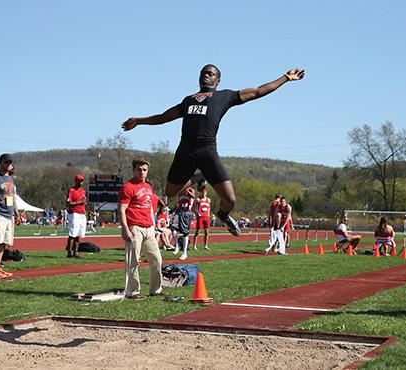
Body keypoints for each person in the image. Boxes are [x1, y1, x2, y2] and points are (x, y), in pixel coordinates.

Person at [122, 65, 305, 237]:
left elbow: (258, 91)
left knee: (230, 201)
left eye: (210, 73)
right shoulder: (188, 100)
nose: (206, 75)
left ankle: (223, 215)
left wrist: (286, 77)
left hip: (207, 151)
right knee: (170, 192)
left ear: (218, 80)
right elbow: (163, 117)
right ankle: (197, 177)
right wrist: (138, 121)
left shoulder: (225, 96)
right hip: (185, 150)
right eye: (203, 72)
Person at [118, 157, 163, 299]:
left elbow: (150, 207)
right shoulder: (128, 187)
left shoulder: (148, 187)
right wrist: (125, 229)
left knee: (157, 260)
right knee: (132, 261)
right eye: (139, 169)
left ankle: (156, 289)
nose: (142, 172)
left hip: (149, 228)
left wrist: (154, 226)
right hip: (134, 227)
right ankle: (133, 291)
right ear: (133, 170)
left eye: (144, 170)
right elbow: (121, 209)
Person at [170, 187, 196, 260]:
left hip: (187, 212)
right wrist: (173, 211)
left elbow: (193, 196)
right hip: (179, 211)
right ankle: (177, 246)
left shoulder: (191, 189)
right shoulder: (180, 191)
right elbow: (178, 203)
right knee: (172, 227)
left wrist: (187, 190)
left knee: (185, 233)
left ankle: (184, 253)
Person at [66, 174, 87, 258]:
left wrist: (83, 203)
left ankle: (76, 252)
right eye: (80, 180)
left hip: (82, 213)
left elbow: (84, 201)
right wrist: (79, 202)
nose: (81, 182)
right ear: (76, 181)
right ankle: (69, 252)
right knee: (73, 233)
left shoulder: (83, 191)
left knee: (79, 234)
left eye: (82, 180)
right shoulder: (71, 190)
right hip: (74, 213)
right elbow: (68, 203)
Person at [192, 185, 211, 251]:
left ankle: (205, 245)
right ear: (201, 192)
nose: (203, 193)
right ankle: (194, 245)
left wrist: (208, 213)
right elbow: (193, 207)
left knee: (207, 232)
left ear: (206, 192)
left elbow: (209, 208)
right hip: (200, 217)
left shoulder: (208, 199)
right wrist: (197, 213)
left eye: (205, 191)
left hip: (206, 217)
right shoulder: (198, 199)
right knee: (197, 232)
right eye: (202, 191)